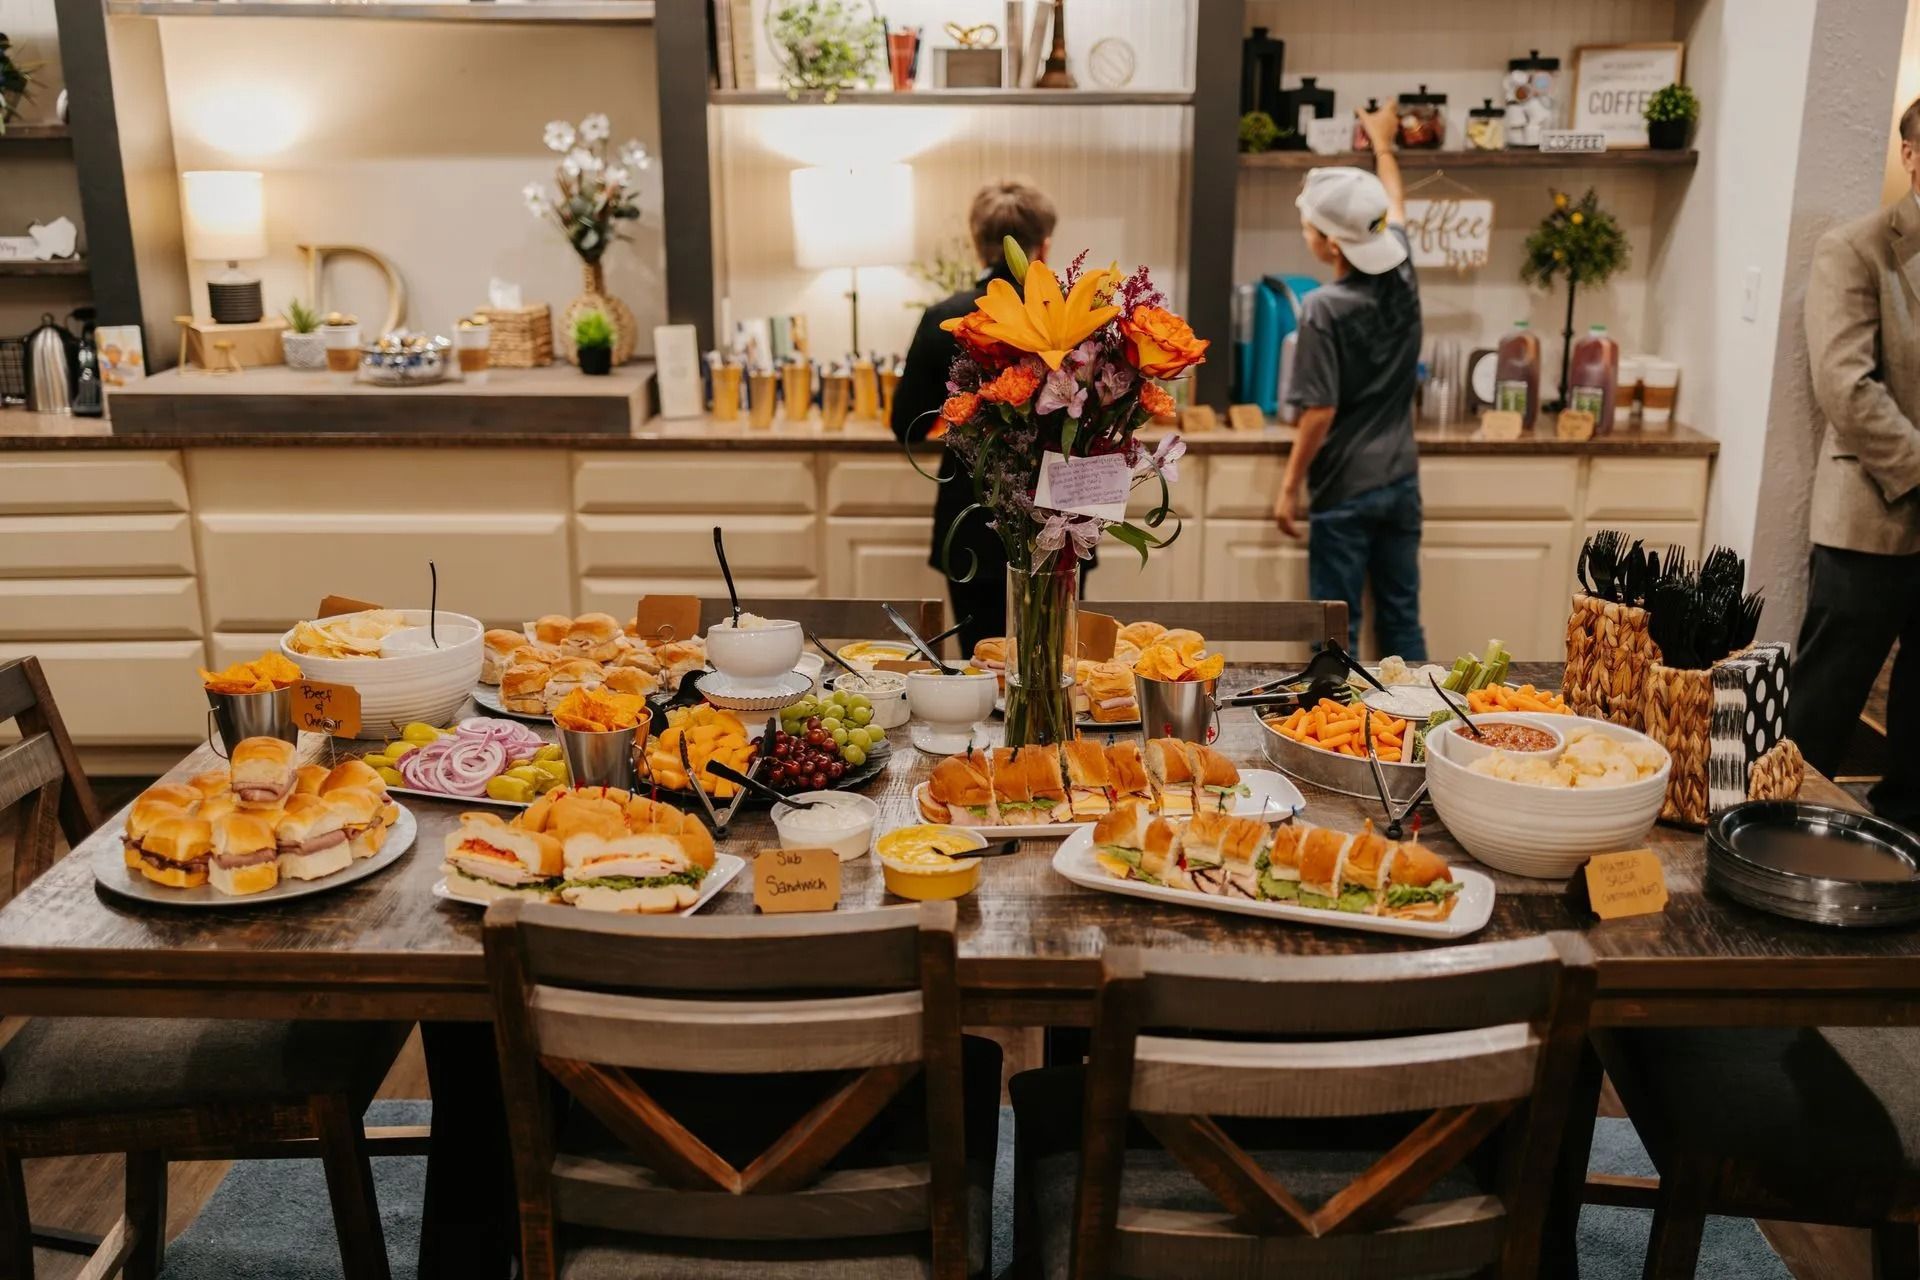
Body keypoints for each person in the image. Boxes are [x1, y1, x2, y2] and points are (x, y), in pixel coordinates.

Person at [1792, 95, 1920, 825]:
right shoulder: (1857, 246)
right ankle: (1776, 836)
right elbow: (1846, 386)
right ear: (1910, 154)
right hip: (1872, 513)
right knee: (1825, 702)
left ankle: (1902, 841)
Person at [1272, 101, 1427, 660]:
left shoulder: (1323, 308)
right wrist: (1384, 144)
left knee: (1337, 632)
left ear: (1330, 245)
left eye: (1308, 226)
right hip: (1401, 482)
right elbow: (1397, 207)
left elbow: (1319, 411)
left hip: (1343, 491)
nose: (1306, 233)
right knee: (1401, 622)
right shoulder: (1403, 270)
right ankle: (1415, 732)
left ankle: (1335, 740)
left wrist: (1289, 487)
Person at [894, 179, 1057, 653]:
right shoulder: (1065, 315)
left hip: (971, 518)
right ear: (1043, 245)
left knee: (980, 664)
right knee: (1053, 659)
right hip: (1055, 517)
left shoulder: (946, 317)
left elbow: (905, 421)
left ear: (976, 242)